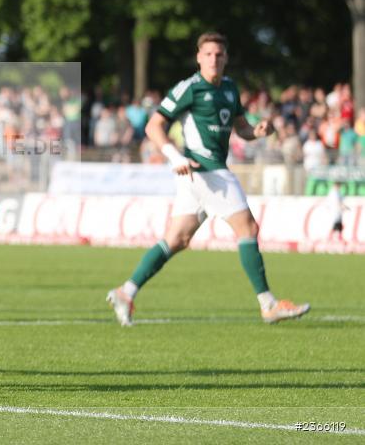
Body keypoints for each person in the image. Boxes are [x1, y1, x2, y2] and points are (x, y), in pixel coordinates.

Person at [106, 32, 310, 326]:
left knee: (177, 239)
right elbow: (154, 126)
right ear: (198, 57)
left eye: (219, 54)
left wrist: (259, 131)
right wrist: (174, 157)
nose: (214, 59)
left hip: (201, 175)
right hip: (205, 169)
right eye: (208, 54)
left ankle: (126, 291)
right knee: (248, 227)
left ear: (226, 58)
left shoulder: (229, 88)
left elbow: (242, 129)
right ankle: (268, 304)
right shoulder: (189, 88)